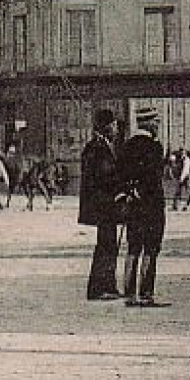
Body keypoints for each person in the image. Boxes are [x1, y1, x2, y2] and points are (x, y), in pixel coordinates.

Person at [115, 107, 170, 307]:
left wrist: (128, 193)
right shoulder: (155, 147)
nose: (157, 126)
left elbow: (119, 175)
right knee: (151, 249)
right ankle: (146, 293)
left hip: (132, 205)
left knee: (133, 248)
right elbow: (153, 178)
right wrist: (143, 192)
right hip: (151, 204)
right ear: (149, 123)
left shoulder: (126, 146)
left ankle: (129, 293)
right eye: (156, 122)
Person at [78, 109, 123, 301]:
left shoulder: (101, 146)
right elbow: (104, 176)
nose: (116, 129)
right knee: (106, 244)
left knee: (109, 243)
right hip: (103, 204)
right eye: (113, 125)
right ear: (105, 127)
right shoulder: (97, 148)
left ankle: (108, 285)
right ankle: (99, 288)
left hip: (105, 203)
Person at [1, 143, 22, 210]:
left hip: (12, 175)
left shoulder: (14, 160)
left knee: (10, 189)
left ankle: (7, 202)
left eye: (13, 152)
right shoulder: (6, 158)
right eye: (10, 151)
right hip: (7, 174)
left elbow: (17, 168)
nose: (12, 153)